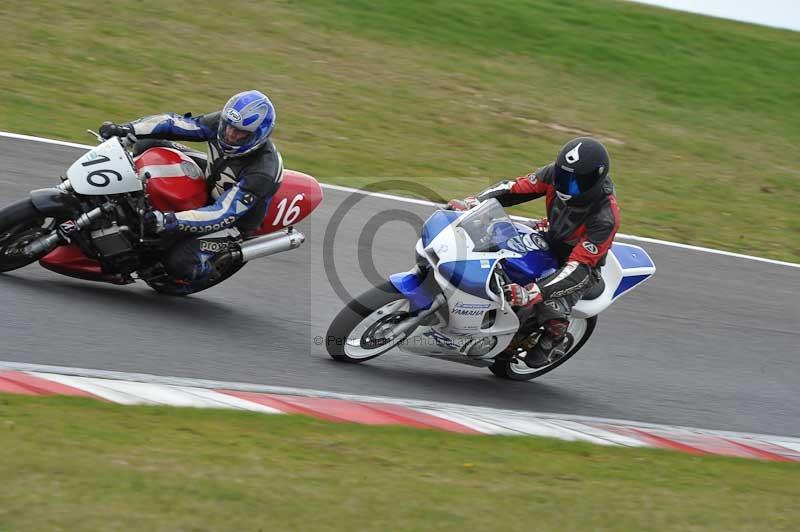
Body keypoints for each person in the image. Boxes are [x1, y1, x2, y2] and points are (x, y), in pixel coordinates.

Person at [447, 137, 620, 368]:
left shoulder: (605, 217)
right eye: (563, 177)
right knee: (492, 233)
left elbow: (579, 267)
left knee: (548, 305)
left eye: (576, 183)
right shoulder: (554, 175)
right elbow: (513, 188)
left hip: (581, 265)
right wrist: (474, 202)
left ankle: (554, 339)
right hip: (551, 234)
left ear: (595, 180)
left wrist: (533, 292)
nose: (566, 187)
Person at [98, 90, 283, 288]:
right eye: (228, 126)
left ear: (258, 136)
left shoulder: (262, 171)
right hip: (214, 175)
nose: (230, 135)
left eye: (240, 133)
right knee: (148, 142)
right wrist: (127, 129)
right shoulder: (224, 125)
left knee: (180, 262)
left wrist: (170, 220)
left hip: (233, 219)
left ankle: (206, 270)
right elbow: (175, 123)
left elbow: (222, 213)